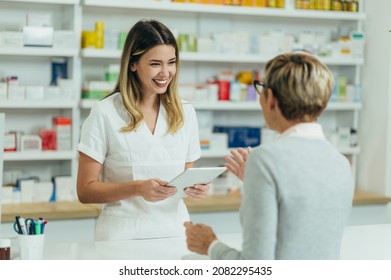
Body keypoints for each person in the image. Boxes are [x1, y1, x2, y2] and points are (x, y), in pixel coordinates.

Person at [184, 52, 355, 259]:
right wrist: (256, 181)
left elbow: (256, 266)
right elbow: (303, 233)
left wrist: (209, 244)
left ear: (271, 99)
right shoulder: (341, 163)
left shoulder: (266, 160)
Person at [77, 19, 209, 241]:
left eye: (172, 62)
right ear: (133, 64)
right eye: (155, 63)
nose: (165, 73)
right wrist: (137, 188)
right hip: (122, 238)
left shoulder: (185, 112)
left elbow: (186, 178)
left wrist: (196, 188)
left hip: (175, 234)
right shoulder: (105, 112)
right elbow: (85, 191)